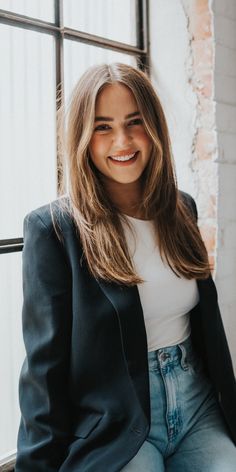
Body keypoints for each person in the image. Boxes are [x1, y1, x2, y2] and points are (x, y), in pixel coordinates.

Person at [16, 63, 236, 471]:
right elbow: (43, 371)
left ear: (153, 126)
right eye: (103, 127)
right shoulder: (54, 231)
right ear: (82, 136)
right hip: (117, 420)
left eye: (135, 122)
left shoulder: (180, 208)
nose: (123, 140)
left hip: (198, 404)